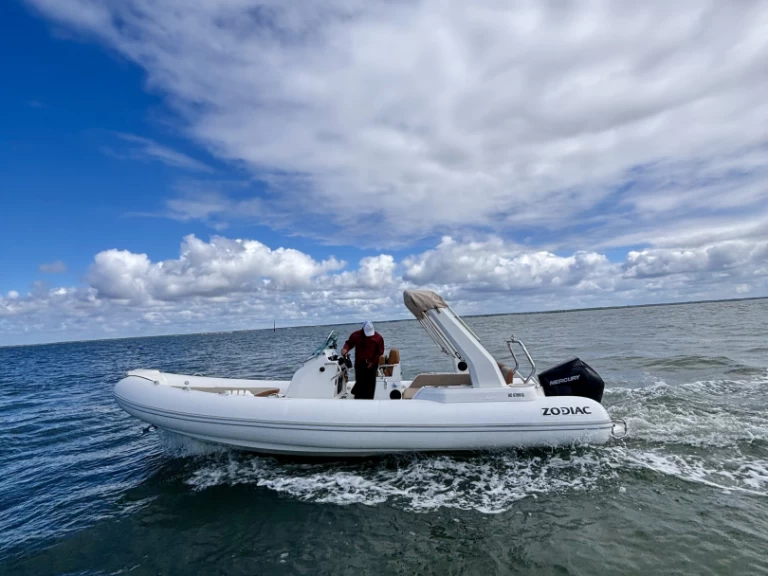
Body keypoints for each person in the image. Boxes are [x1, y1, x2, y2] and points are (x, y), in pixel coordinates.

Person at [340, 321, 384, 399]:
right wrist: (345, 349)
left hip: (372, 364)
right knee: (360, 381)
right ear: (363, 329)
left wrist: (373, 362)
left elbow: (380, 352)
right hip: (359, 364)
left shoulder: (378, 338)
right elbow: (349, 343)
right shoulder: (355, 335)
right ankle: (358, 398)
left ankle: (369, 400)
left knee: (370, 385)